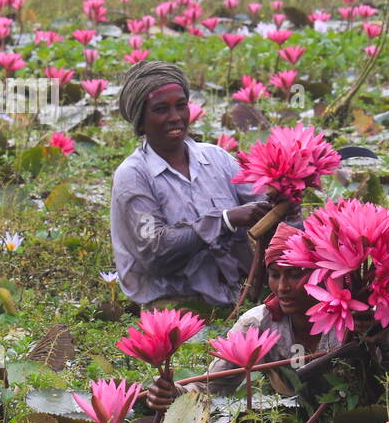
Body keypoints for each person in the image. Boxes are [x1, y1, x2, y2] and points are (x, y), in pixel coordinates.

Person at [144, 223, 389, 415]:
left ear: (320, 275)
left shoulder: (358, 321)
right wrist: (175, 393)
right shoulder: (257, 324)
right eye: (275, 275)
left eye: (295, 275)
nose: (283, 287)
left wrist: (386, 342)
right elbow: (212, 388)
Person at [109, 61, 276, 312]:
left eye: (181, 106)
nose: (175, 117)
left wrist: (284, 199)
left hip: (241, 298)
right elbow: (155, 252)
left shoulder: (217, 158)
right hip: (175, 308)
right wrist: (225, 220)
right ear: (140, 122)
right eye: (161, 109)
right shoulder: (133, 175)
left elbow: (266, 204)